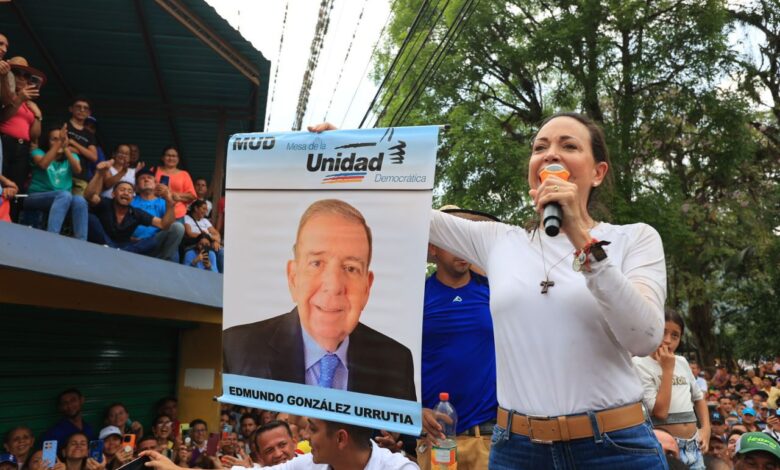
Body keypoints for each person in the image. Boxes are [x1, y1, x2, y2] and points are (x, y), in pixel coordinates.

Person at [425, 112, 668, 468]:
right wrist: (355, 155)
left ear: (598, 172)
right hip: (518, 451)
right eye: (540, 148)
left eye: (568, 146)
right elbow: (404, 211)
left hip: (615, 448)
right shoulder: (498, 241)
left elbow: (644, 338)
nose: (551, 154)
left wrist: (580, 236)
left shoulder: (635, 238)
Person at [222, 199, 416, 401]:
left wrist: (419, 416)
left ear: (367, 288)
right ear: (293, 278)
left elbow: (402, 422)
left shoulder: (397, 362)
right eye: (316, 263)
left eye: (350, 268)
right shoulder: (235, 349)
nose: (333, 285)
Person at [419, 206, 498, 470]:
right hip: (436, 437)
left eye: (465, 239)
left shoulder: (493, 291)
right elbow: (397, 364)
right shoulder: (418, 297)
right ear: (433, 248)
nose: (461, 247)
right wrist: (414, 410)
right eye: (451, 240)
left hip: (488, 437)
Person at [142, 418, 417, 470]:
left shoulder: (399, 469)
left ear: (341, 438)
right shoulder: (309, 464)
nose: (306, 437)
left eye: (313, 430)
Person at [633, 309, 711, 469]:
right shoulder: (639, 364)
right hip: (666, 448)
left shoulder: (682, 362)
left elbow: (698, 398)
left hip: (694, 444)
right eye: (662, 332)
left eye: (675, 335)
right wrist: (667, 369)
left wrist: (706, 429)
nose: (667, 340)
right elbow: (660, 412)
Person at [85, 160, 176, 254]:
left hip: (126, 248)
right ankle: (113, 249)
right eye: (122, 190)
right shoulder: (106, 203)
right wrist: (99, 173)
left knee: (151, 241)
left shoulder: (136, 213)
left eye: (129, 192)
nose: (126, 193)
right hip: (104, 242)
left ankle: (120, 251)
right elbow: (89, 196)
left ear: (132, 198)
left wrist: (169, 202)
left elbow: (163, 224)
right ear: (113, 194)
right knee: (91, 218)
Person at [23, 123, 88, 239]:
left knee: (80, 200)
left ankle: (81, 241)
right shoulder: (38, 153)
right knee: (64, 195)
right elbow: (43, 164)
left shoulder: (71, 156)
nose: (59, 141)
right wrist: (59, 144)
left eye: (62, 138)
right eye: (54, 139)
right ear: (47, 141)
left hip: (63, 199)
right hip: (36, 197)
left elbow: (78, 170)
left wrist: (66, 148)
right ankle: (52, 238)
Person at [0, 56, 43, 221]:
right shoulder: (5, 95)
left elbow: (35, 136)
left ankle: (10, 223)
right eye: (17, 73)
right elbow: (2, 117)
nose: (21, 78)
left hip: (22, 148)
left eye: (26, 76)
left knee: (16, 188)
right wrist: (19, 99)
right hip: (4, 142)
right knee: (2, 185)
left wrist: (38, 115)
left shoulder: (30, 104)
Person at [130, 168, 184, 261]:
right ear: (137, 187)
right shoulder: (131, 201)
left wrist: (170, 203)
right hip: (134, 243)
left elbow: (170, 226)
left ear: (155, 184)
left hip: (154, 242)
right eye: (142, 178)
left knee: (178, 227)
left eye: (149, 178)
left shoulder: (163, 202)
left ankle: (165, 262)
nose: (146, 179)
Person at [65, 96, 98, 196]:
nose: (82, 110)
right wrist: (85, 152)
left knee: (79, 203)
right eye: (78, 107)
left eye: (85, 108)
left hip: (81, 177)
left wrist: (74, 143)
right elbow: (60, 146)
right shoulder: (63, 126)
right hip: (61, 173)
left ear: (89, 113)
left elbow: (93, 157)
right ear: (71, 109)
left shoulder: (89, 134)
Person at [154, 146, 196, 221]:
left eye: (174, 156)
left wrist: (172, 194)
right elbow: (145, 189)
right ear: (162, 158)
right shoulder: (154, 170)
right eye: (168, 155)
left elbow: (192, 196)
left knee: (177, 228)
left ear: (178, 159)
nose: (171, 158)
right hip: (155, 211)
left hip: (177, 213)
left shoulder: (184, 174)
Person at [182, 200, 223, 272]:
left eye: (206, 209)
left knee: (222, 252)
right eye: (203, 208)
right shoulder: (187, 218)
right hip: (195, 244)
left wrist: (213, 240)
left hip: (208, 243)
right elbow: (189, 233)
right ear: (196, 208)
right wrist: (205, 236)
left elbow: (217, 235)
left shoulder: (205, 221)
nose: (205, 211)